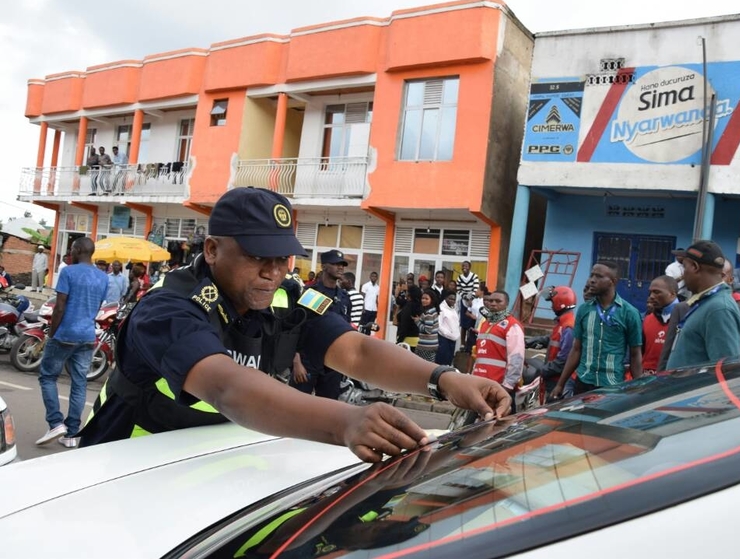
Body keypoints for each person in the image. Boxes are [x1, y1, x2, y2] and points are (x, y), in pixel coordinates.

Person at [78, 188, 510, 461]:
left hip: (213, 461)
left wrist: (445, 379)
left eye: (282, 258)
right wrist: (346, 421)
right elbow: (229, 389)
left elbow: (356, 351)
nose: (272, 271)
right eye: (256, 256)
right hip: (124, 464)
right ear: (211, 250)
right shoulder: (168, 308)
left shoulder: (285, 298)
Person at [36, 237, 109, 448]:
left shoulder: (68, 272)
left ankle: (55, 423)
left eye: (72, 249)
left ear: (77, 250)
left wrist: (52, 333)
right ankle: (71, 433)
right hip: (87, 336)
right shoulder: (103, 277)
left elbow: (59, 307)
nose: (70, 252)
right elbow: (97, 307)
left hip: (65, 334)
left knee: (48, 377)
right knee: (79, 382)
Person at [550, 261, 643, 399]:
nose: (592, 280)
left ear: (613, 281)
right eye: (592, 275)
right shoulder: (584, 310)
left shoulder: (630, 313)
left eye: (599, 276)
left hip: (612, 385)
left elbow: (635, 354)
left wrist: (638, 389)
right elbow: (576, 349)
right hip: (583, 382)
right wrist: (560, 384)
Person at [664, 242, 740, 369]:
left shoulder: (719, 309)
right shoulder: (706, 302)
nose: (683, 274)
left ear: (695, 267)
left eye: (684, 267)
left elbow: (725, 370)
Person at [290, 250, 352, 399]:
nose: (340, 267)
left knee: (329, 407)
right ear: (324, 266)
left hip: (333, 364)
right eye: (335, 264)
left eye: (342, 264)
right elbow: (295, 328)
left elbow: (346, 332)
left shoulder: (344, 297)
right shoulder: (310, 293)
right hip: (308, 361)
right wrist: (296, 362)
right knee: (297, 404)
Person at [472, 290, 525, 411]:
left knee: (503, 420)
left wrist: (507, 386)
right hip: (481, 382)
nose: (493, 303)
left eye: (498, 301)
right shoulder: (485, 324)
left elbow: (516, 359)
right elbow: (479, 356)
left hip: (500, 386)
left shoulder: (512, 326)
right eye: (491, 300)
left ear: (506, 304)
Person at [527, 286, 577, 398]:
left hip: (559, 381)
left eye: (552, 303)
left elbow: (563, 360)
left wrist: (543, 371)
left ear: (559, 303)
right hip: (554, 378)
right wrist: (534, 341)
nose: (551, 306)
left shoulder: (568, 327)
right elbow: (554, 339)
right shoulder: (562, 323)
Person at [641, 276, 679, 375]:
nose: (651, 296)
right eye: (650, 292)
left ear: (672, 294)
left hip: (673, 377)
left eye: (657, 292)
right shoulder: (647, 319)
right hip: (646, 378)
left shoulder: (685, 317)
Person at [456, 261, 479, 349]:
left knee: (471, 323)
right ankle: (462, 343)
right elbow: (459, 289)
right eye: (463, 266)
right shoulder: (459, 277)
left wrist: (471, 298)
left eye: (466, 266)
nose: (464, 267)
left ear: (469, 267)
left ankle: (469, 343)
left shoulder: (474, 276)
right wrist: (465, 298)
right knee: (463, 323)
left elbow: (475, 288)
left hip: (473, 301)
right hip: (464, 301)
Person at [414, 289, 440, 362]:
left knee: (421, 365)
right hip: (433, 344)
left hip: (426, 346)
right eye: (422, 298)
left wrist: (417, 322)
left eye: (426, 299)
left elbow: (428, 330)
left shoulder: (428, 313)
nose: (423, 300)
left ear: (432, 300)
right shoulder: (433, 311)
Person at [435, 289, 459, 366]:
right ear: (445, 298)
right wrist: (448, 334)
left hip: (452, 340)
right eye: (450, 299)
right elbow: (438, 325)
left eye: (454, 299)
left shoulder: (453, 310)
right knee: (441, 362)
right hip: (443, 339)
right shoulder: (441, 309)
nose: (452, 301)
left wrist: (455, 335)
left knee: (449, 361)